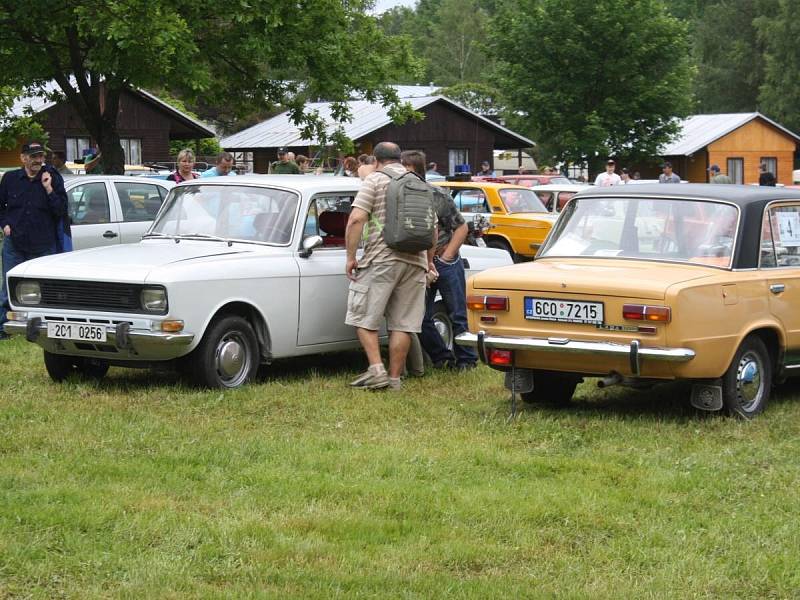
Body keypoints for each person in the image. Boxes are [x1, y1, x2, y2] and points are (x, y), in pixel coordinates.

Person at [344, 142, 432, 391]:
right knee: (403, 324)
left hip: (382, 258)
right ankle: (395, 380)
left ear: (377, 160)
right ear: (399, 158)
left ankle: (377, 370)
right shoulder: (418, 182)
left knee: (363, 318)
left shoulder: (374, 181)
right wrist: (428, 261)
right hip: (416, 260)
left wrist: (351, 257)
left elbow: (357, 218)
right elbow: (432, 229)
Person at [402, 150, 476, 371]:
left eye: (404, 169)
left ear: (415, 170)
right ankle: (442, 358)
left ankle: (467, 361)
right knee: (420, 317)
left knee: (457, 314)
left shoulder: (437, 195)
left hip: (445, 260)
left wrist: (447, 255)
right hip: (420, 262)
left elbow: (461, 227)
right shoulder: (401, 196)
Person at [0, 141, 68, 339]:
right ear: (23, 158)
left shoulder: (52, 178)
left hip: (42, 243)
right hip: (15, 241)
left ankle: (43, 328)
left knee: (43, 287)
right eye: (33, 156)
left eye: (40, 156)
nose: (38, 160)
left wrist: (48, 188)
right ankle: (4, 327)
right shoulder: (11, 178)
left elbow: (61, 210)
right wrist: (4, 224)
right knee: (8, 285)